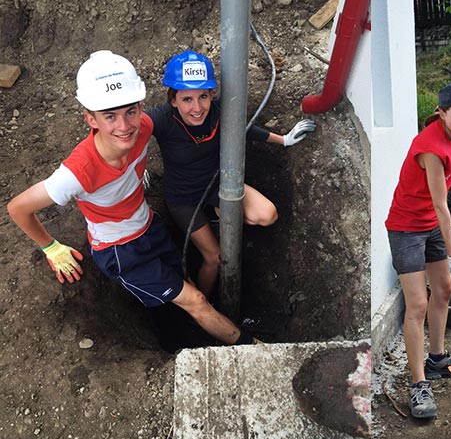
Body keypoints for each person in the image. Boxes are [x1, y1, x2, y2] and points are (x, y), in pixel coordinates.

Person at [6, 50, 257, 346]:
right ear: (92, 119)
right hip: (120, 252)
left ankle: (194, 319)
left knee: (185, 283)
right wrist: (51, 247)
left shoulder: (143, 128)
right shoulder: (78, 172)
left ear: (140, 108)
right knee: (197, 300)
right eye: (110, 116)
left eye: (130, 112)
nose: (124, 127)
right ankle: (250, 346)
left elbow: (186, 122)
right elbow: (18, 207)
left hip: (149, 227)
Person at [146, 49, 316, 297]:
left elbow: (245, 129)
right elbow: (130, 129)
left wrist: (285, 140)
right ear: (173, 100)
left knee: (268, 214)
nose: (197, 108)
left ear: (212, 95)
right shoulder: (162, 119)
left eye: (203, 96)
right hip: (184, 199)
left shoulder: (218, 112)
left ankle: (219, 214)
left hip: (218, 186)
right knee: (215, 258)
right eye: (187, 99)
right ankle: (201, 310)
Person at [385, 82, 451, 419]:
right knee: (418, 303)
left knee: (445, 288)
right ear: (441, 113)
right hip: (407, 227)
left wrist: (449, 259)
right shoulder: (431, 147)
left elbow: (438, 209)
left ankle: (436, 358)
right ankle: (418, 385)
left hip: (430, 223)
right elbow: (442, 205)